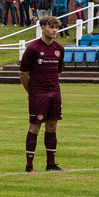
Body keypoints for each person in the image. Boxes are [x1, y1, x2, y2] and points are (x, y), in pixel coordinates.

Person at [19, 15, 67, 173]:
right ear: (43, 28)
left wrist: (53, 87)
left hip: (55, 93)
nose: (54, 30)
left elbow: (58, 72)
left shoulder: (59, 49)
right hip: (38, 94)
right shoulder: (33, 48)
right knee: (34, 127)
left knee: (52, 126)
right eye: (51, 27)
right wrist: (31, 91)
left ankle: (51, 164)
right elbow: (23, 73)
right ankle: (29, 166)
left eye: (56, 27)